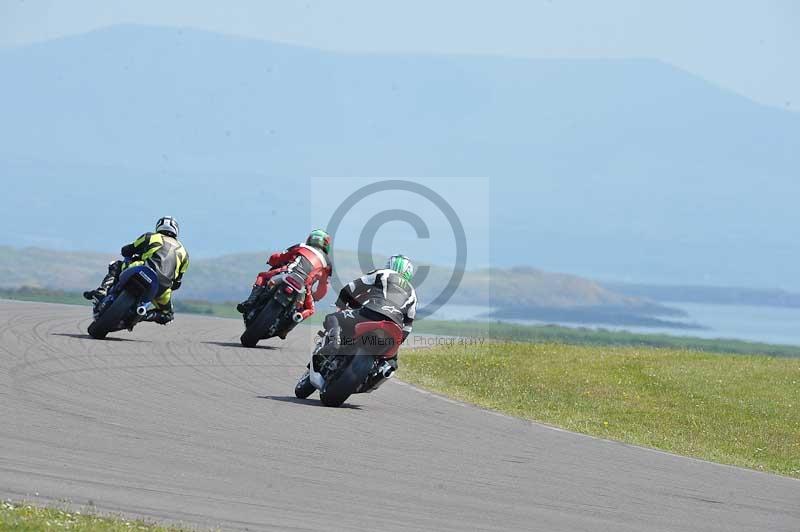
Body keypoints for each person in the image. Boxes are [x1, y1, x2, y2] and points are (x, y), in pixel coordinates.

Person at [319, 254, 417, 391]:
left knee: (333, 317)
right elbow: (408, 325)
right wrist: (397, 343)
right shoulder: (412, 292)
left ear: (390, 265)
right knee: (392, 363)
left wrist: (341, 306)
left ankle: (334, 343)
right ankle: (377, 376)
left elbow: (351, 288)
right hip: (395, 327)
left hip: (371, 313)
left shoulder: (382, 273)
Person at [83, 216, 189, 325]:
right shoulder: (184, 253)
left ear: (158, 226)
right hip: (161, 288)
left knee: (116, 265)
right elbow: (177, 283)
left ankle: (102, 290)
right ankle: (142, 315)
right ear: (176, 230)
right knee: (168, 315)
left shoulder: (150, 237)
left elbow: (127, 250)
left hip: (142, 271)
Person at [237, 229, 332, 337]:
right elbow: (323, 287)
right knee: (310, 309)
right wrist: (315, 297)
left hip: (286, 273)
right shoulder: (328, 263)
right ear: (326, 244)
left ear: (310, 239)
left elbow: (279, 257)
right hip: (304, 287)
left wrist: (271, 261)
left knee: (262, 276)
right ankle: (286, 329)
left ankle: (250, 301)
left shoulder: (301, 246)